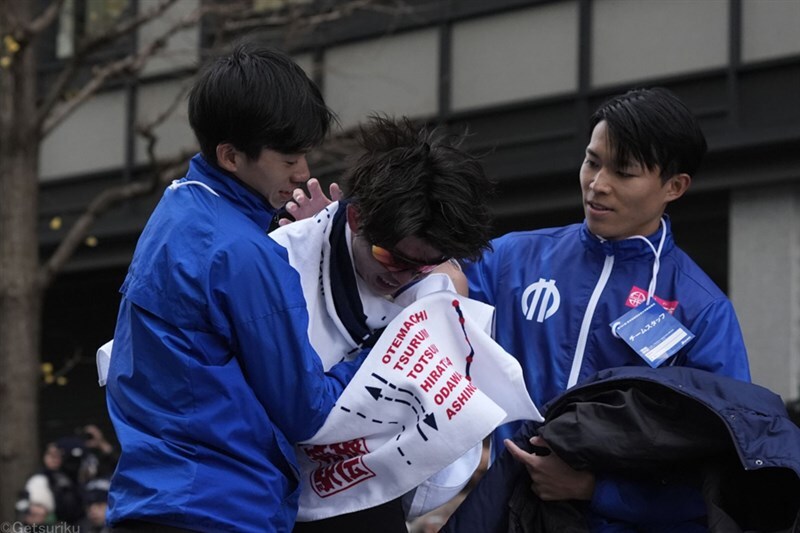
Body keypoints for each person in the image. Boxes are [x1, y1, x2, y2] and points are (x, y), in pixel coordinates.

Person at [443, 87, 751, 530]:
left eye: (624, 172)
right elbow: (427, 281)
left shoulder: (703, 311)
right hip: (507, 512)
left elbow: (727, 471)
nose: (597, 184)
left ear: (674, 186)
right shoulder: (514, 258)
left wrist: (595, 489)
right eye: (592, 161)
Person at [104, 42, 368, 532]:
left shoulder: (174, 213)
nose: (303, 172)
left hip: (154, 496)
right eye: (289, 158)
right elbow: (306, 408)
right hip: (224, 507)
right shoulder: (242, 252)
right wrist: (383, 349)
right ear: (230, 155)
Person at [268, 114, 495, 531]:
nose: (401, 276)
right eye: (391, 258)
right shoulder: (283, 261)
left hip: (374, 502)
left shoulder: (438, 288)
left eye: (422, 265)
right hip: (278, 499)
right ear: (355, 219)